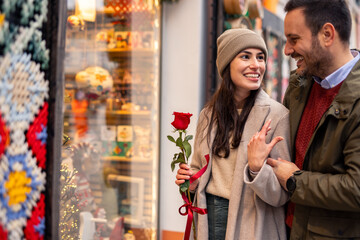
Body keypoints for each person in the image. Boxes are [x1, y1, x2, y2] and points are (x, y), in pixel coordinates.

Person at [175, 28, 291, 240]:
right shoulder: (209, 115)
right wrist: (190, 182)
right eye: (245, 56)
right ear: (227, 63)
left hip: (253, 224)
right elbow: (197, 170)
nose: (256, 65)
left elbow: (282, 195)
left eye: (261, 57)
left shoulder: (277, 115)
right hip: (208, 217)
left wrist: (257, 170)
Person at [266, 0, 360, 239]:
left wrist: (295, 181)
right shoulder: (300, 85)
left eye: (294, 39)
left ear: (327, 34)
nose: (287, 49)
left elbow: (357, 188)